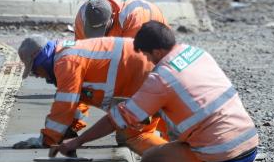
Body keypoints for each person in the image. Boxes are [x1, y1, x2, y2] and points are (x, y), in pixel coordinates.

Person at [53, 22, 259, 162]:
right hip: (249, 147)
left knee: (150, 161)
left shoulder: (161, 79)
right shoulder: (197, 53)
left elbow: (117, 119)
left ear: (158, 51)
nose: (148, 61)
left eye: (148, 55)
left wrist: (77, 142)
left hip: (224, 159)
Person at [15, 35, 165, 155]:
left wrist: (47, 140)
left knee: (135, 137)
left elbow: (65, 104)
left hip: (140, 72)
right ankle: (181, 154)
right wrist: (70, 129)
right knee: (168, 122)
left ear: (40, 61)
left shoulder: (65, 63)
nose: (37, 76)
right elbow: (77, 99)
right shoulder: (66, 54)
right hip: (141, 67)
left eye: (34, 70)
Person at [74, 0, 167, 40]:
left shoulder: (132, 15)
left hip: (153, 35)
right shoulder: (83, 14)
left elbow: (130, 56)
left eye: (103, 29)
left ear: (112, 16)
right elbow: (81, 50)